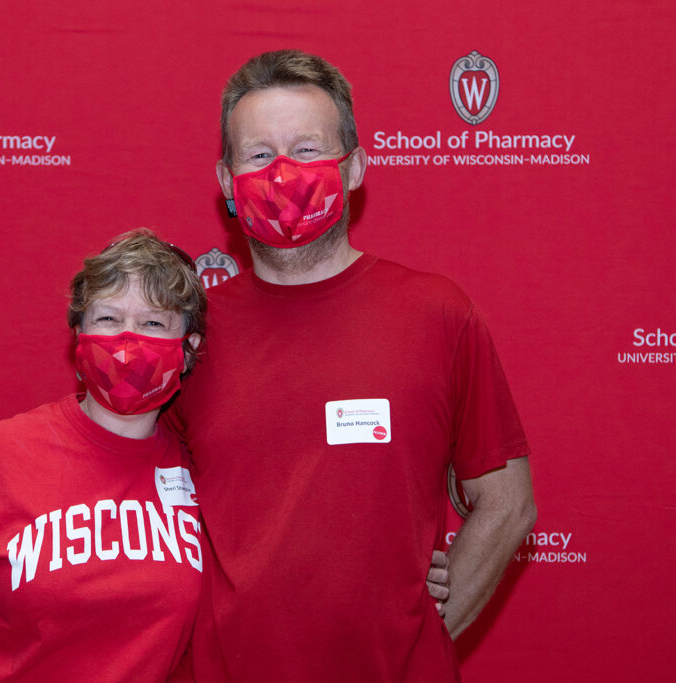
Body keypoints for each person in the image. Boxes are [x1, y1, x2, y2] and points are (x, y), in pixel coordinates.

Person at [164, 50, 537, 681]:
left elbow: (508, 503)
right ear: (226, 180)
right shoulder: (185, 338)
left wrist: (424, 638)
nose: (283, 173)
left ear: (356, 166)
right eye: (258, 155)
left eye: (308, 149)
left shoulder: (436, 313)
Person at [0, 230, 207, 682]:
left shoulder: (201, 475)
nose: (127, 341)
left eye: (152, 323)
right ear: (79, 334)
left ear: (188, 349)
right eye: (109, 318)